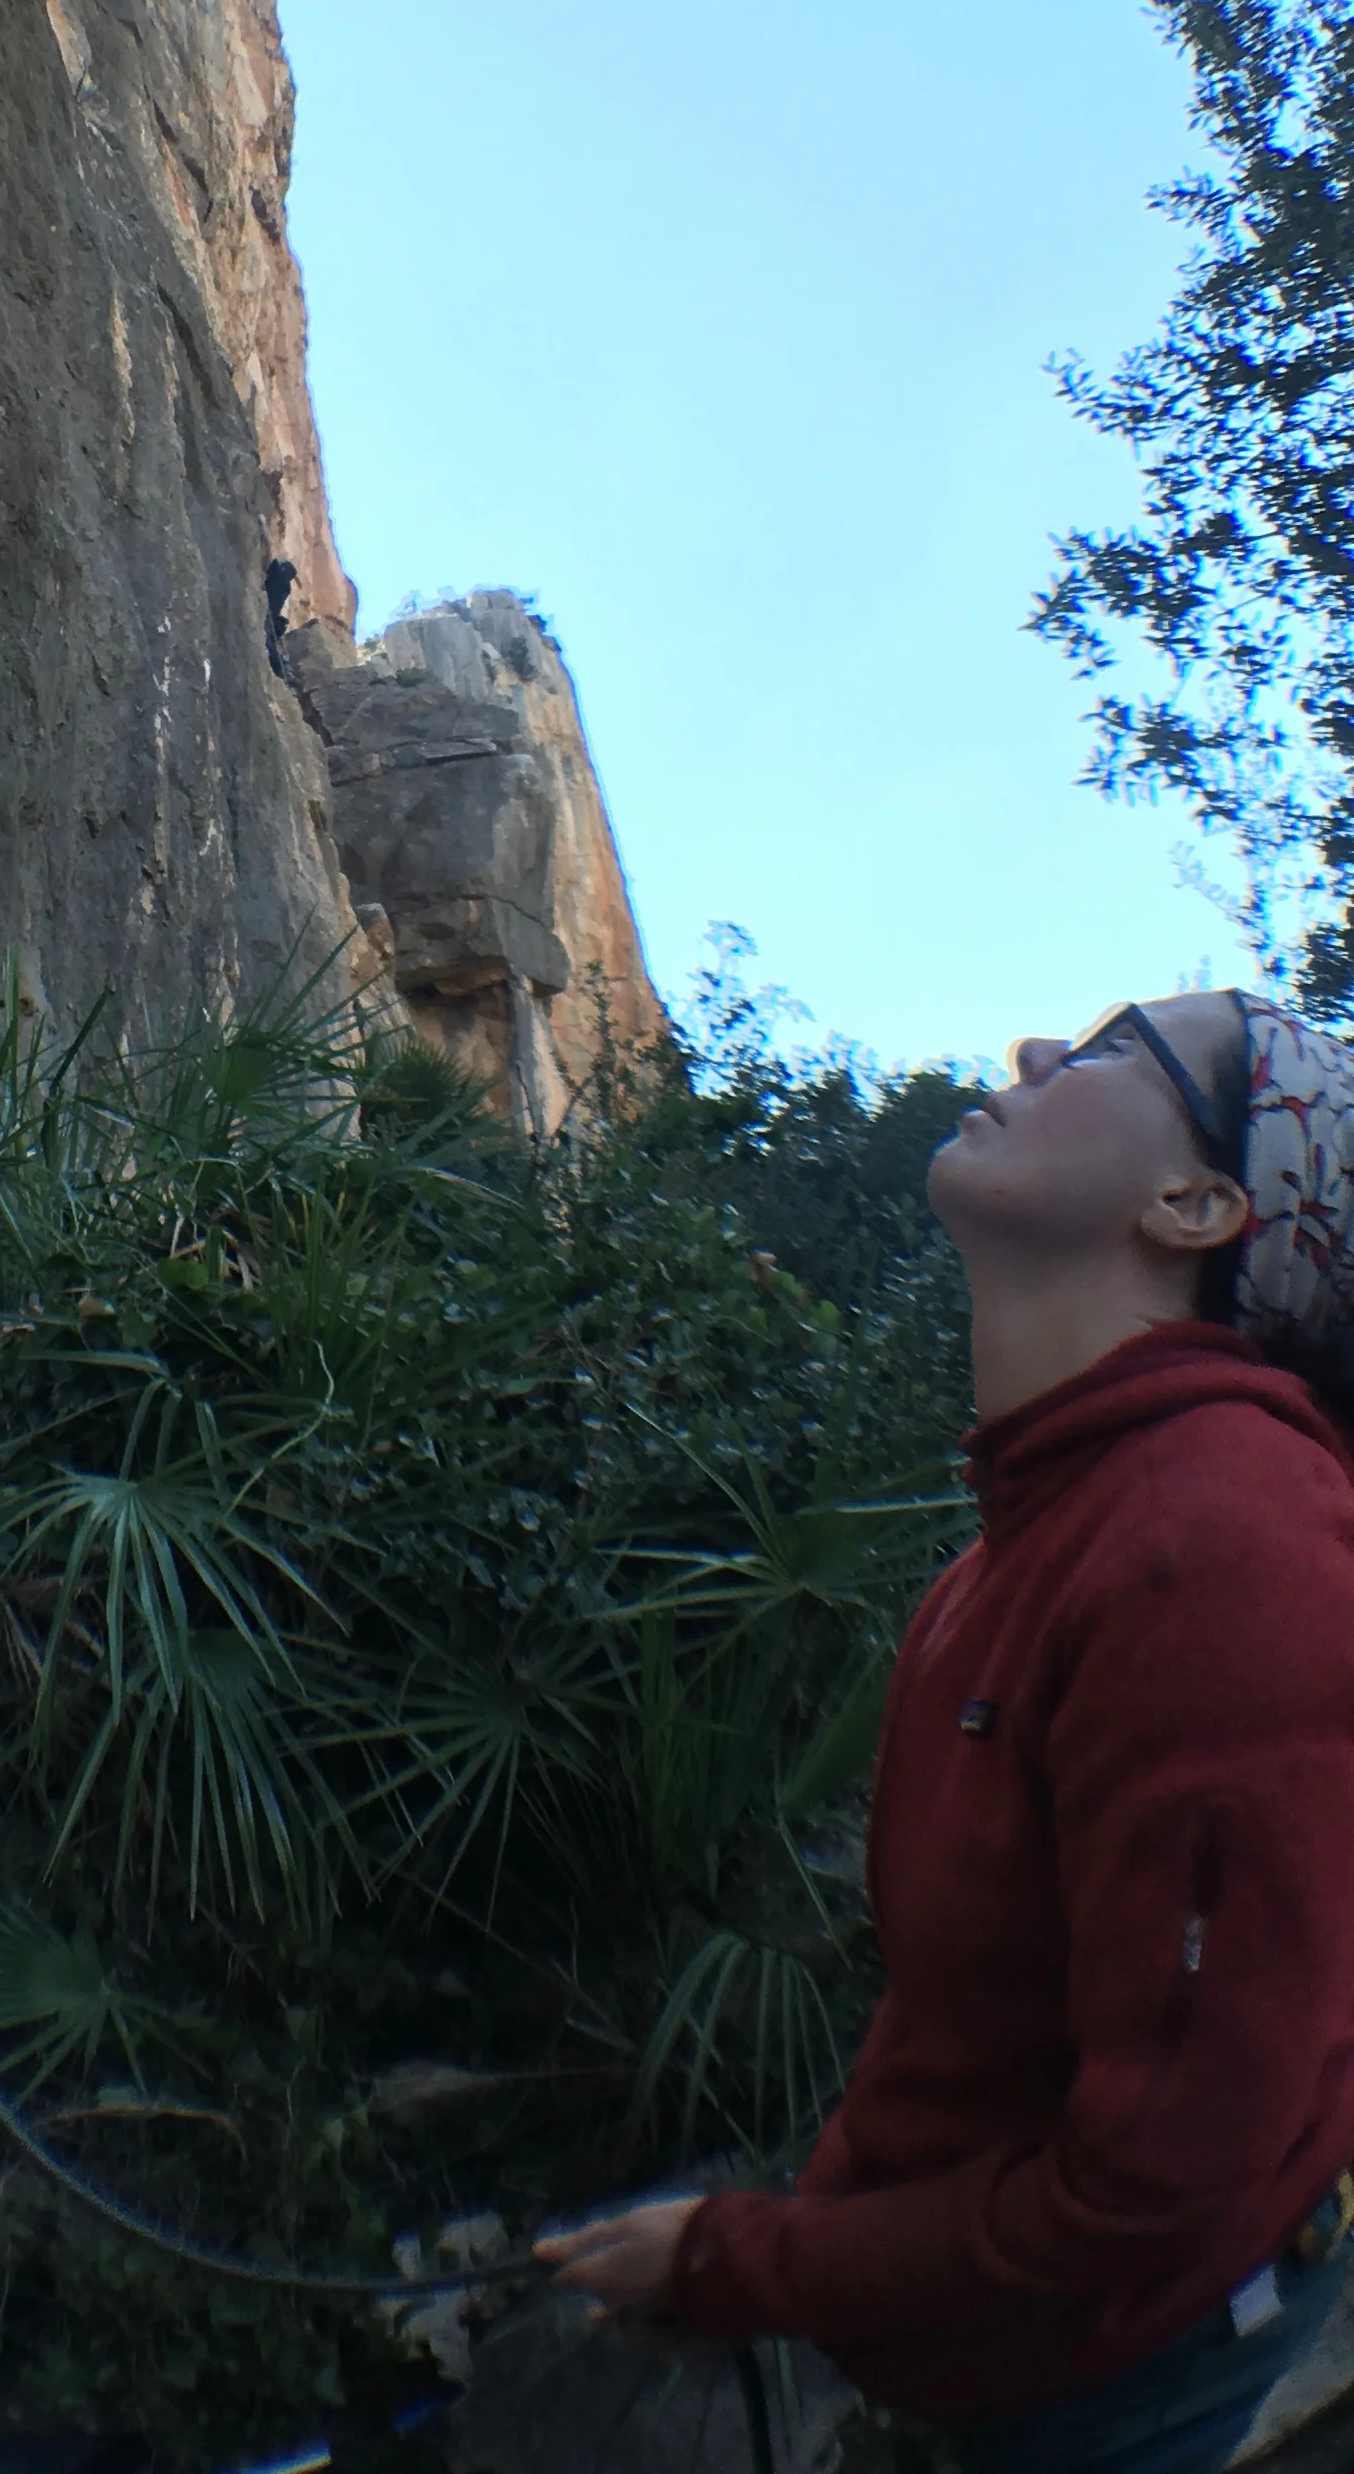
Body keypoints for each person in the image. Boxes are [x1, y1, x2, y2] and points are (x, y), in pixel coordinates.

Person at [536, 991, 1354, 2474]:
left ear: (1199, 1203)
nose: (1038, 1053)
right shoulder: (1033, 1535)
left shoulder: (1224, 1540)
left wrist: (748, 2266)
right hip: (1007, 2347)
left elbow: (1157, 2177)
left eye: (1113, 1048)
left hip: (1115, 2375)